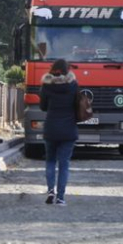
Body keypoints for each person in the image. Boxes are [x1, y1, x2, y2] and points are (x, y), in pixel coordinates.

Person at [39, 58, 78, 206]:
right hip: (68, 130)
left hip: (51, 129)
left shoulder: (46, 86)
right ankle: (61, 198)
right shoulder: (73, 86)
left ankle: (50, 191)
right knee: (64, 164)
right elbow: (77, 104)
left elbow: (43, 107)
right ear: (67, 70)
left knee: (50, 161)